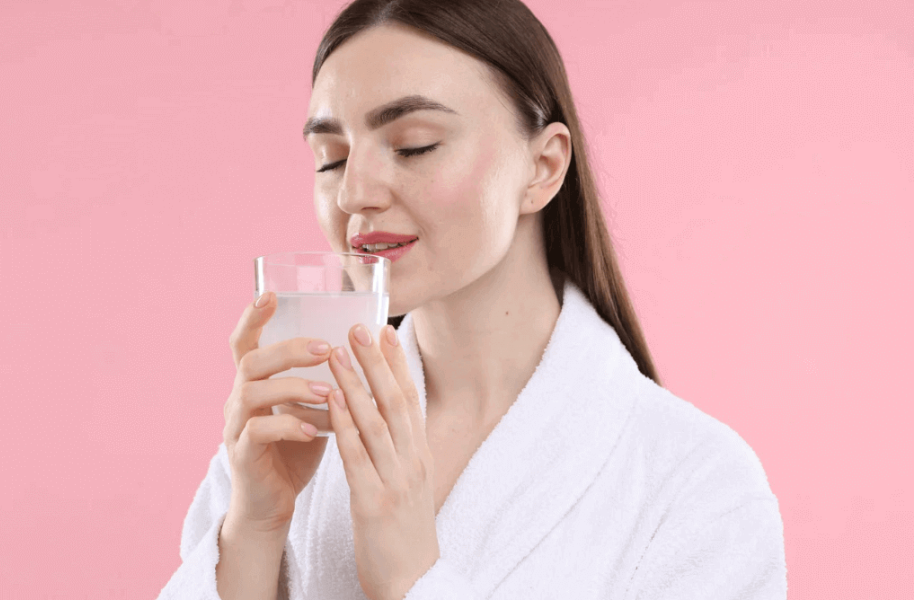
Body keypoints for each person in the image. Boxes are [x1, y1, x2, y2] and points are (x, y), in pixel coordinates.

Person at [157, 1, 787, 598]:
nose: (353, 194)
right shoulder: (288, 434)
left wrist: (412, 580)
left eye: (414, 145)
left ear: (543, 166)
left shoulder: (699, 488)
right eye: (332, 158)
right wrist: (253, 530)